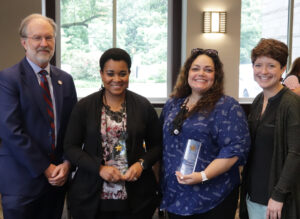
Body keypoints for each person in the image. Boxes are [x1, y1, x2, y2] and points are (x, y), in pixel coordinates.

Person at [64, 48, 162, 219]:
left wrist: (141, 164)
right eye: (110, 73)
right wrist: (99, 168)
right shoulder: (84, 107)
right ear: (101, 74)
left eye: (122, 73)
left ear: (129, 74)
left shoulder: (143, 106)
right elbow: (70, 147)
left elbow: (158, 145)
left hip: (136, 194)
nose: (116, 79)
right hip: (91, 193)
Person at [0, 14, 77, 219]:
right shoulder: (8, 79)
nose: (44, 43)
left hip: (57, 181)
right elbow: (11, 131)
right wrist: (45, 167)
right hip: (22, 182)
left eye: (49, 37)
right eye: (37, 38)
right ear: (24, 42)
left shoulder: (66, 80)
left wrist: (68, 163)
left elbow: (73, 129)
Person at [160, 48, 250, 219]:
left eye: (208, 70)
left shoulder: (227, 107)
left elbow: (235, 149)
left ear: (216, 76)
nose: (201, 73)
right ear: (187, 72)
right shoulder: (173, 104)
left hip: (213, 197)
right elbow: (162, 144)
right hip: (176, 195)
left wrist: (203, 175)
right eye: (195, 68)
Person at [240, 38, 300, 219]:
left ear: (283, 69)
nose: (263, 71)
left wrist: (278, 195)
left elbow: (296, 152)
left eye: (271, 66)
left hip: (276, 200)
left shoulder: (291, 103)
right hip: (254, 193)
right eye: (258, 65)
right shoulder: (258, 100)